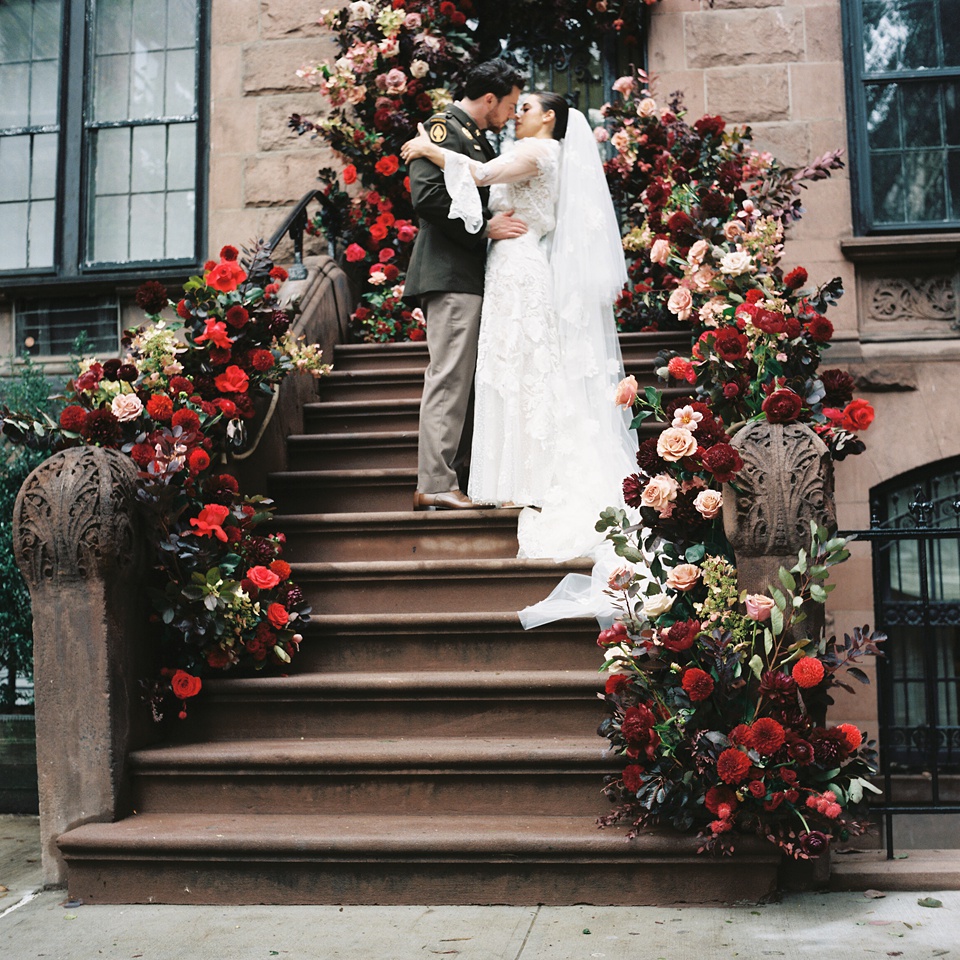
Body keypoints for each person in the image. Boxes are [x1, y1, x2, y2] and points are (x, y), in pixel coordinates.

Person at [401, 92, 639, 589]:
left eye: (526, 108)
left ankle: (524, 477)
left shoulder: (541, 151)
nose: (517, 115)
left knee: (520, 370)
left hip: (518, 264)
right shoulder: (530, 151)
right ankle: (510, 477)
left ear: (549, 118)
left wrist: (425, 148)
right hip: (506, 265)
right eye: (516, 106)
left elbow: (482, 176)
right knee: (509, 372)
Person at [404, 58, 527, 511]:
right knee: (450, 379)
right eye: (510, 104)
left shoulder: (472, 136)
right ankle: (435, 483)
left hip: (469, 276)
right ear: (490, 98)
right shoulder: (443, 128)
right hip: (450, 273)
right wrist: (485, 229)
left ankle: (458, 477)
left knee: (468, 382)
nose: (513, 114)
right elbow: (429, 198)